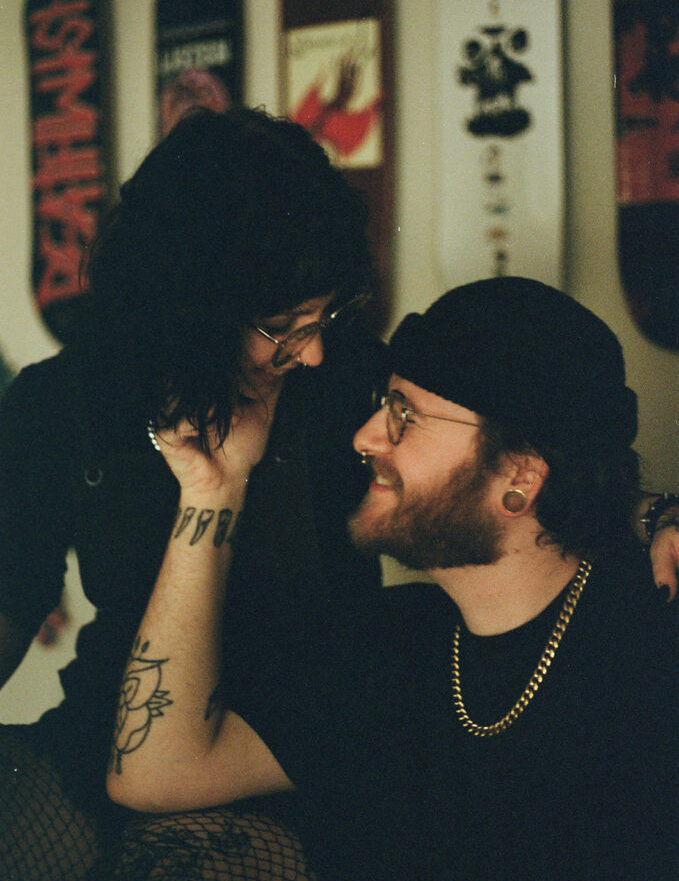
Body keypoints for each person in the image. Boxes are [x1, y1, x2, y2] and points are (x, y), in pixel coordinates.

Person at [106, 277, 678, 881]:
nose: (366, 436)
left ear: (520, 475)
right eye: (384, 402)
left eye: (405, 415)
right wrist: (213, 486)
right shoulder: (394, 644)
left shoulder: (646, 651)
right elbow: (154, 774)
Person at [0, 106, 386, 880]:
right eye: (284, 326)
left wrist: (642, 514)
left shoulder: (344, 378)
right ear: (190, 311)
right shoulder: (62, 403)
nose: (310, 352)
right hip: (114, 719)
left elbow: (503, 463)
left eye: (325, 316)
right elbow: (11, 591)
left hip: (285, 742)